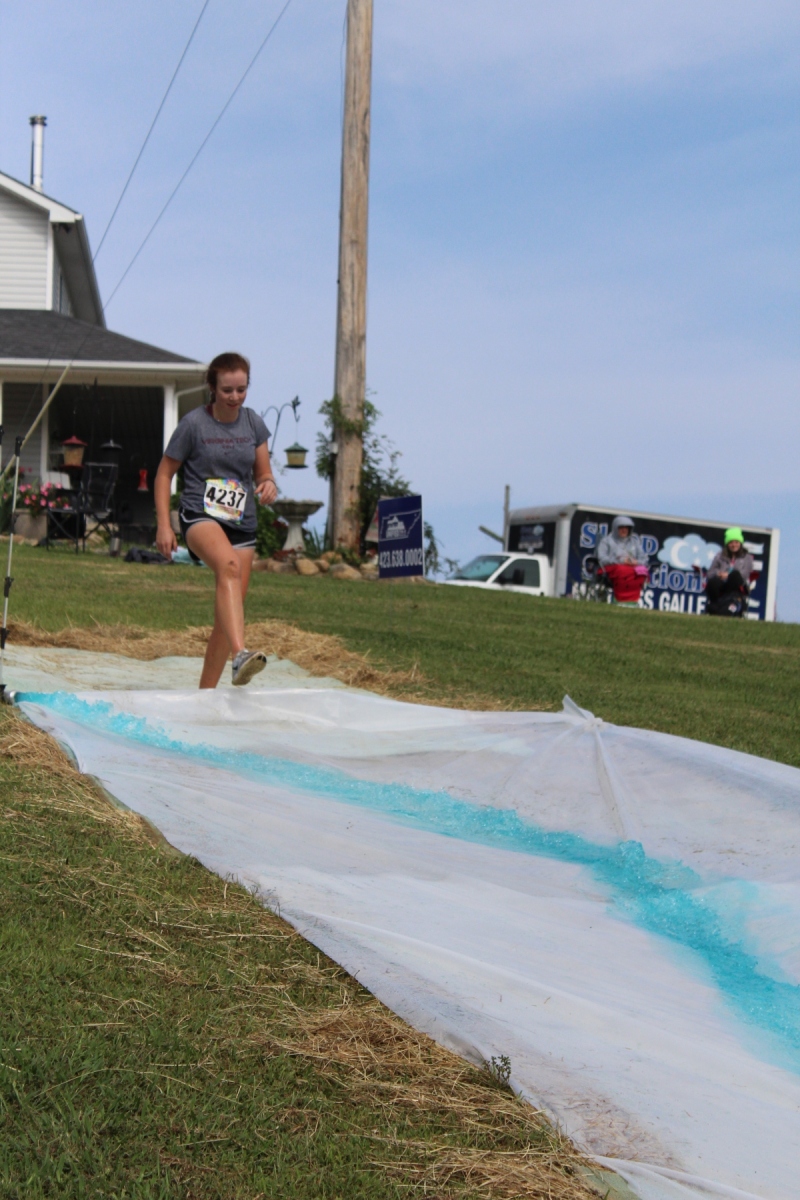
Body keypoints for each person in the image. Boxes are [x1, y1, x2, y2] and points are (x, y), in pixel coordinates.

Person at [154, 351, 278, 688]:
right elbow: (164, 474)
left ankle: (205, 694)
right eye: (227, 390)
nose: (235, 397)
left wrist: (268, 484)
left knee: (227, 616)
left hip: (242, 524)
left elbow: (264, 472)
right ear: (212, 387)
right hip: (201, 515)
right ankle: (241, 655)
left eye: (241, 389)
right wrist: (164, 525)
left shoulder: (253, 423)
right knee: (229, 567)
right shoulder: (193, 424)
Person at [595, 515, 650, 604]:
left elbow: (644, 559)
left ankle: (633, 601)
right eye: (621, 528)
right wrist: (621, 561)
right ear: (615, 528)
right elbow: (602, 558)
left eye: (626, 528)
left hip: (632, 567)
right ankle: (621, 600)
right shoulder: (606, 541)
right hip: (613, 567)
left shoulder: (634, 542)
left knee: (642, 571)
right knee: (622, 570)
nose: (624, 530)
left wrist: (636, 562)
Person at [705, 528, 753, 616]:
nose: (734, 545)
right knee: (713, 582)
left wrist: (728, 575)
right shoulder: (719, 556)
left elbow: (744, 575)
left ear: (740, 543)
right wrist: (718, 574)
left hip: (736, 587)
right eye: (731, 542)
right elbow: (710, 573)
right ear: (727, 544)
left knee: (735, 575)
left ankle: (730, 603)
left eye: (736, 542)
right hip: (721, 585)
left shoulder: (747, 558)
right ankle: (714, 604)